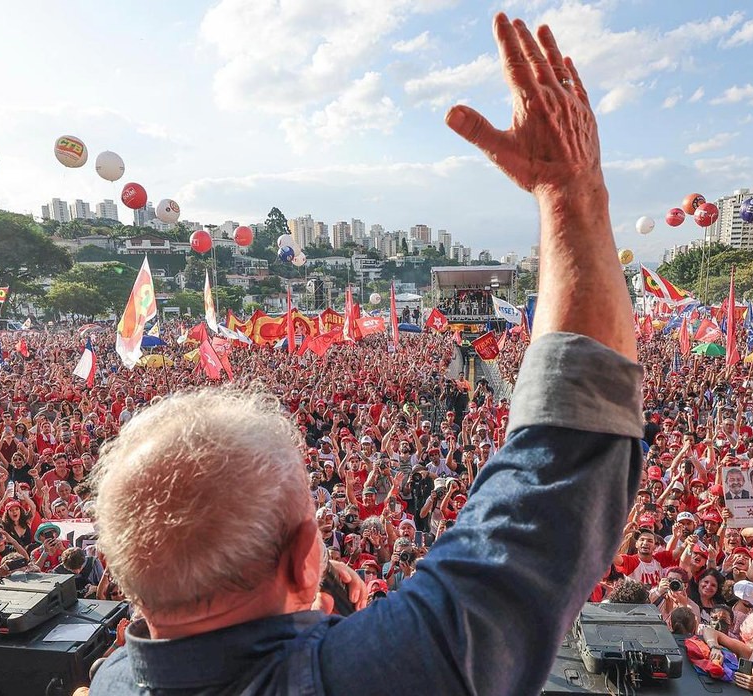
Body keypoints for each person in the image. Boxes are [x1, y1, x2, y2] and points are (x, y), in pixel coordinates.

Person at [91, 12, 642, 695]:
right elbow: (564, 459)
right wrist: (572, 190)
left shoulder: (112, 676)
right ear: (305, 559)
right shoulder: (368, 678)